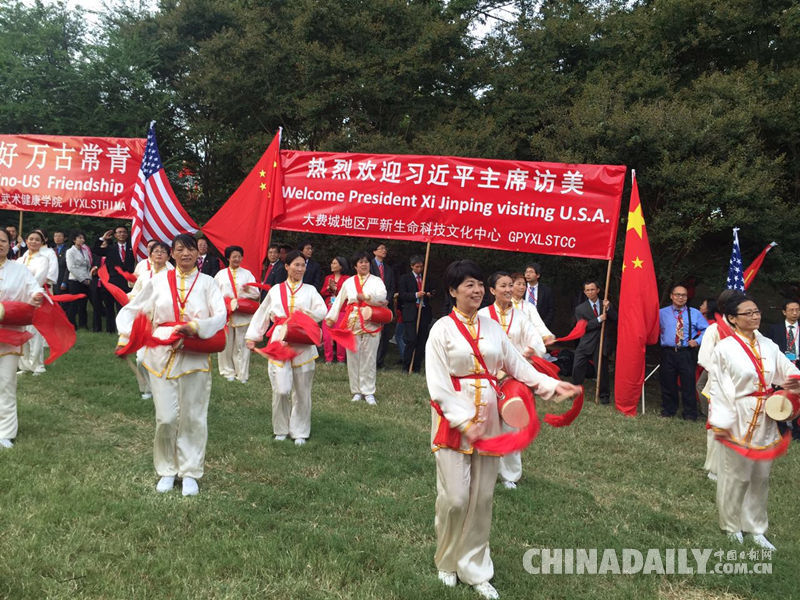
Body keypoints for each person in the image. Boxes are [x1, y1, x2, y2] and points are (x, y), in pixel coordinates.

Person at [426, 260, 579, 600]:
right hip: (454, 423)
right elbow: (437, 385)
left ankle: (476, 568)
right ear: (453, 291)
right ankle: (447, 561)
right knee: (455, 499)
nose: (477, 290)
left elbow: (518, 366)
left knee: (482, 498)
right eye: (469, 284)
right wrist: (463, 419)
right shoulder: (441, 330)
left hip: (491, 423)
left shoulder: (493, 328)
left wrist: (552, 386)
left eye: (480, 284)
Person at [116, 234, 227, 496]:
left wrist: (196, 327)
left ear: (197, 254)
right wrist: (125, 337)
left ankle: (189, 472)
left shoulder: (209, 283)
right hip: (161, 354)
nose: (185, 254)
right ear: (172, 254)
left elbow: (220, 315)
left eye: (190, 249)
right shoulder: (157, 282)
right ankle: (167, 469)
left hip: (194, 354)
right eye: (180, 249)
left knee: (193, 416)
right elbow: (135, 309)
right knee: (166, 417)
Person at [709, 294, 800, 550]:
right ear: (732, 319)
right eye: (748, 313)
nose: (755, 316)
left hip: (766, 417)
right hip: (737, 415)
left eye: (757, 311)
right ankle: (731, 526)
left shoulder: (769, 345)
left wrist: (793, 384)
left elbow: (789, 372)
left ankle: (756, 528)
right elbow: (717, 386)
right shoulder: (725, 349)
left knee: (761, 476)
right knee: (736, 475)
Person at [246, 250, 326, 445]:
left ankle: (299, 431)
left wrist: (304, 314)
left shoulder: (310, 290)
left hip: (303, 341)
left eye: (302, 265)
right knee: (281, 389)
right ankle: (280, 428)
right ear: (287, 266)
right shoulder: (275, 290)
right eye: (296, 265)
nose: (300, 268)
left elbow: (322, 310)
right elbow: (263, 312)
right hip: (279, 340)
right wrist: (253, 336)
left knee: (302, 389)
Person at [479, 271, 546, 490]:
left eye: (510, 285)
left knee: (511, 425)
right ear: (491, 290)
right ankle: (483, 468)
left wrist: (525, 353)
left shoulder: (521, 316)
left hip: (513, 379)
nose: (508, 290)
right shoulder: (482, 315)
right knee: (484, 424)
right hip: (487, 377)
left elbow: (538, 343)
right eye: (503, 286)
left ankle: (510, 475)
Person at [0, 228, 45, 448]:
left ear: (10, 244)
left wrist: (37, 296)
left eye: (3, 241)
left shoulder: (19, 269)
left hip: (10, 333)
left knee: (6, 381)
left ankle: (6, 431)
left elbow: (35, 289)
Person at [325, 250, 387, 405]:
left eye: (366, 262)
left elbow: (382, 297)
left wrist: (365, 297)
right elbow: (339, 300)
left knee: (370, 357)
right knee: (353, 357)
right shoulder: (349, 282)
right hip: (352, 321)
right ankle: (357, 391)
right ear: (355, 266)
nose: (364, 264)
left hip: (371, 319)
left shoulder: (377, 281)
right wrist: (331, 318)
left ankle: (369, 391)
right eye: (360, 262)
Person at [127, 242, 172, 400]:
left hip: (164, 322)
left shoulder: (172, 274)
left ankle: (163, 388)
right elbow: (135, 294)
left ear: (169, 255)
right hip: (144, 321)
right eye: (156, 251)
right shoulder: (145, 275)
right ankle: (146, 388)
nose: (159, 254)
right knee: (141, 358)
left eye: (163, 252)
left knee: (162, 357)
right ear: (150, 255)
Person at [659, 285, 708, 419]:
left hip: (686, 353)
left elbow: (707, 330)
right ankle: (669, 410)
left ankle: (690, 413)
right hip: (668, 352)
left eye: (684, 295)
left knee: (688, 383)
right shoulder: (661, 313)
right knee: (668, 382)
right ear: (671, 296)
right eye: (677, 294)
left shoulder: (694, 313)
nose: (680, 298)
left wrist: (697, 341)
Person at [215, 245, 259, 383]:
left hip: (243, 314)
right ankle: (227, 371)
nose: (237, 259)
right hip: (226, 314)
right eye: (234, 256)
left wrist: (246, 290)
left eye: (239, 256)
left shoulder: (247, 274)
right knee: (226, 344)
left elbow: (256, 293)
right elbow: (214, 295)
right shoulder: (220, 275)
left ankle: (242, 373)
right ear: (228, 257)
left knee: (242, 345)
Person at [572, 280, 617, 403]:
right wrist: (598, 319)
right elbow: (583, 326)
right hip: (586, 342)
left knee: (602, 371)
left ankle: (604, 396)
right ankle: (575, 392)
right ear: (584, 292)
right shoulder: (580, 309)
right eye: (587, 290)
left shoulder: (605, 304)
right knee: (577, 367)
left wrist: (608, 309)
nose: (590, 292)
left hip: (601, 342)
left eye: (592, 289)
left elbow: (616, 319)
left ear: (598, 290)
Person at [18, 230, 50, 375]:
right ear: (26, 240)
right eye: (31, 239)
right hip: (19, 299)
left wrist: (27, 292)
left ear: (42, 243)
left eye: (37, 240)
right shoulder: (21, 259)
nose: (33, 242)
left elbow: (38, 279)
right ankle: (25, 365)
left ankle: (38, 364)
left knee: (34, 332)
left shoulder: (43, 259)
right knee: (21, 331)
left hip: (34, 298)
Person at [93, 225, 135, 330]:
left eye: (124, 232)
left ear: (127, 234)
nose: (122, 234)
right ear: (115, 235)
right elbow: (96, 250)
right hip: (113, 282)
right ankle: (110, 329)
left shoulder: (133, 247)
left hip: (127, 282)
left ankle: (124, 328)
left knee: (125, 307)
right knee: (110, 307)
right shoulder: (110, 249)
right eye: (119, 232)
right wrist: (103, 238)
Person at [398, 255, 434, 373]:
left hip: (424, 311)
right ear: (412, 266)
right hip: (411, 312)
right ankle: (406, 365)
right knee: (411, 339)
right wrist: (415, 295)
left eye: (421, 266)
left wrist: (429, 294)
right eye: (417, 267)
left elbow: (433, 290)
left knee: (421, 341)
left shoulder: (426, 278)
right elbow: (402, 295)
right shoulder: (405, 278)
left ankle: (417, 366)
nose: (419, 269)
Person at [320, 256, 350, 363]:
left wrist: (336, 289)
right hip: (329, 307)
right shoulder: (328, 277)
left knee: (340, 333)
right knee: (327, 335)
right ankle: (328, 358)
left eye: (335, 263)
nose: (332, 265)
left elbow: (346, 293)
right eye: (332, 263)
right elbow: (322, 291)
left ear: (341, 266)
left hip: (342, 308)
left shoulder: (347, 278)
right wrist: (329, 288)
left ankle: (341, 359)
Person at [510, 272, 555, 344]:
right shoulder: (504, 304)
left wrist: (547, 336)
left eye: (524, 284)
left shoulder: (529, 306)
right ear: (511, 286)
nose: (522, 287)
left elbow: (538, 323)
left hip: (524, 344)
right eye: (519, 284)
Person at [370, 242, 396, 369]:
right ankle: (371, 360)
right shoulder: (368, 266)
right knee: (372, 333)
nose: (384, 251)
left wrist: (387, 300)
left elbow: (391, 287)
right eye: (381, 249)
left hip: (385, 305)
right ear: (374, 252)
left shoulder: (389, 269)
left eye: (385, 248)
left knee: (384, 334)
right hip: (372, 305)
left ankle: (380, 361)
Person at [65, 231, 96, 330]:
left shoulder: (85, 251)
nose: (82, 240)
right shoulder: (70, 251)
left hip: (86, 279)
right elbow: (71, 267)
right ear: (74, 240)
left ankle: (84, 324)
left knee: (84, 303)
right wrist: (82, 279)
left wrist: (88, 278)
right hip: (75, 280)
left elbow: (87, 266)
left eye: (83, 238)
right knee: (74, 304)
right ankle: (71, 324)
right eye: (79, 238)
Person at [523, 263, 554, 329]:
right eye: (526, 272)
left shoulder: (546, 290)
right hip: (522, 326)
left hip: (540, 327)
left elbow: (551, 310)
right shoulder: (521, 288)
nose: (527, 274)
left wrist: (543, 325)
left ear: (538, 275)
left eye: (531, 272)